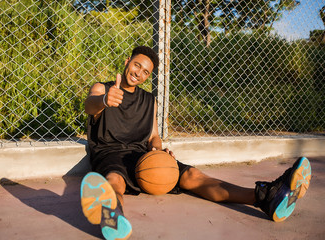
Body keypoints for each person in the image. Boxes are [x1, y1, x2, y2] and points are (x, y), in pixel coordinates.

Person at [80, 46, 312, 240]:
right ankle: (111, 215)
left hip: (144, 157)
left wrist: (158, 151)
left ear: (149, 77)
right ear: (128, 61)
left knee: (194, 176)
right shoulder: (103, 88)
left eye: (146, 72)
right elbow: (89, 106)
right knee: (114, 180)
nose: (138, 73)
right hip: (110, 152)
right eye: (137, 65)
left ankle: (267, 197)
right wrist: (104, 100)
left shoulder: (149, 100)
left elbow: (153, 136)